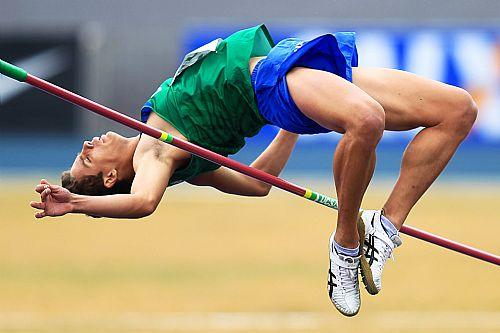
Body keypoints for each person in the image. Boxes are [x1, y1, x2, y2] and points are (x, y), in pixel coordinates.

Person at [30, 24, 478, 316]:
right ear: (111, 178)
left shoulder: (184, 161)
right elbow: (145, 201)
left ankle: (384, 227)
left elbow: (256, 182)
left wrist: (296, 125)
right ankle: (345, 244)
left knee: (458, 110)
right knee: (367, 120)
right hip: (273, 80)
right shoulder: (154, 152)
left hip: (291, 70)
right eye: (87, 157)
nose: (88, 143)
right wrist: (77, 204)